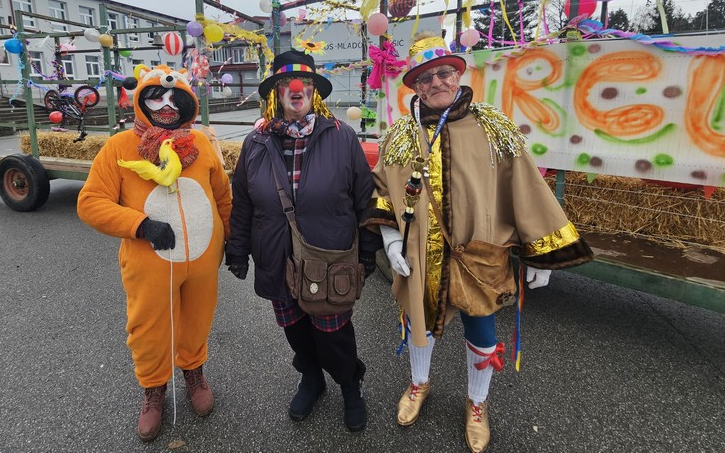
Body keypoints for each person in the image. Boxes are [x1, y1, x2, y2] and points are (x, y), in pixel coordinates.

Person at [361, 33, 594, 453]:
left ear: (458, 75)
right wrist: (391, 240)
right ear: (415, 87)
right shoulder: (400, 135)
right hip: (420, 256)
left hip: (480, 256)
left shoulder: (492, 126)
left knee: (482, 330)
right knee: (419, 323)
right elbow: (383, 191)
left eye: (444, 73)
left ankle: (477, 402)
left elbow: (524, 187)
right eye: (426, 77)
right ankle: (419, 383)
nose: (437, 82)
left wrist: (540, 252)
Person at [225, 49, 382, 432]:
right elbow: (242, 202)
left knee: (333, 334)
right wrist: (238, 250)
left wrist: (367, 251)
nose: (296, 89)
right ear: (276, 93)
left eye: (304, 83)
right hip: (276, 255)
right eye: (286, 84)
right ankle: (311, 378)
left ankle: (350, 384)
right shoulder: (256, 142)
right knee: (294, 329)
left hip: (328, 257)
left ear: (313, 91)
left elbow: (365, 199)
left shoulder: (342, 137)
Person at [77, 64, 232, 442]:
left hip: (202, 262)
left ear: (188, 103)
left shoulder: (201, 145)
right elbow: (90, 202)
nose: (165, 105)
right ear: (141, 101)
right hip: (149, 264)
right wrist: (141, 225)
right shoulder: (119, 147)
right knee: (148, 328)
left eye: (174, 98)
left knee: (197, 319)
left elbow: (224, 196)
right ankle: (154, 388)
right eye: (156, 97)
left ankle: (194, 371)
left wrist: (232, 242)